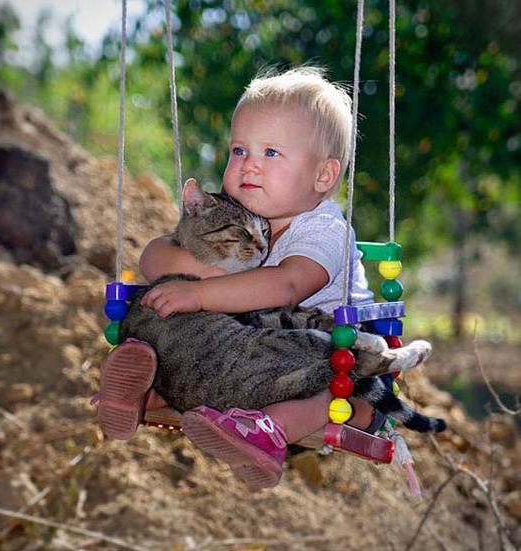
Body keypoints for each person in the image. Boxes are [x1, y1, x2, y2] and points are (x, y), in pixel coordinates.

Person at [99, 66, 386, 488]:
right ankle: (144, 389)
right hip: (253, 355)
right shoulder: (241, 213)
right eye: (239, 151)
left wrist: (200, 294)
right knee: (174, 326)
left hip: (335, 355)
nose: (249, 166)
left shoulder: (325, 230)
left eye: (271, 153)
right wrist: (198, 272)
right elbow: (156, 254)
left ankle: (262, 434)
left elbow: (286, 285)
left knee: (326, 388)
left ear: (323, 176)